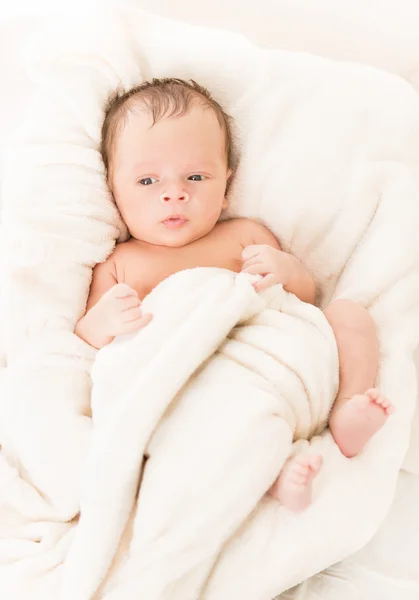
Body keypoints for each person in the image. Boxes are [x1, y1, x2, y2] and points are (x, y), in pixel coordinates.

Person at [75, 78, 393, 511]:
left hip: (280, 364)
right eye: (148, 180)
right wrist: (104, 321)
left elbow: (304, 300)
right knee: (200, 417)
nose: (174, 192)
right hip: (202, 381)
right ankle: (269, 474)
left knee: (350, 314)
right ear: (114, 191)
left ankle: (347, 405)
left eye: (195, 176)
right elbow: (92, 343)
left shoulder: (245, 236)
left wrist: (285, 270)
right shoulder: (121, 263)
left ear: (226, 187)